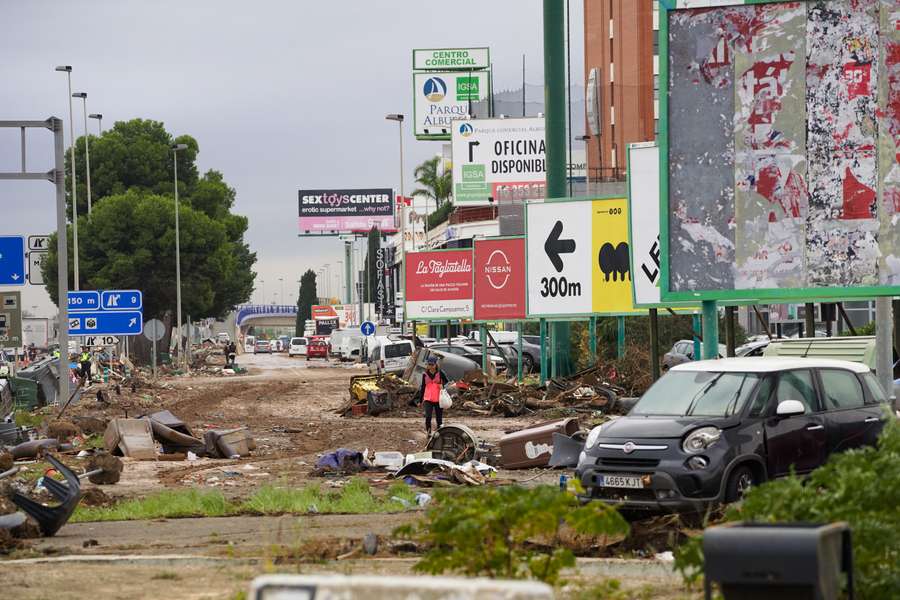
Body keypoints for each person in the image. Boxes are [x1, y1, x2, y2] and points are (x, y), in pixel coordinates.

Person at [417, 356, 450, 438]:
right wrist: (420, 401)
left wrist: (442, 385)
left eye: (432, 364)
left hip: (439, 399)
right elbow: (423, 387)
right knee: (428, 417)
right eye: (429, 364)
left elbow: (447, 381)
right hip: (428, 399)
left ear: (435, 365)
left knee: (439, 418)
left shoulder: (440, 373)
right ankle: (428, 433)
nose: (430, 366)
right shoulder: (425, 374)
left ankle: (440, 433)